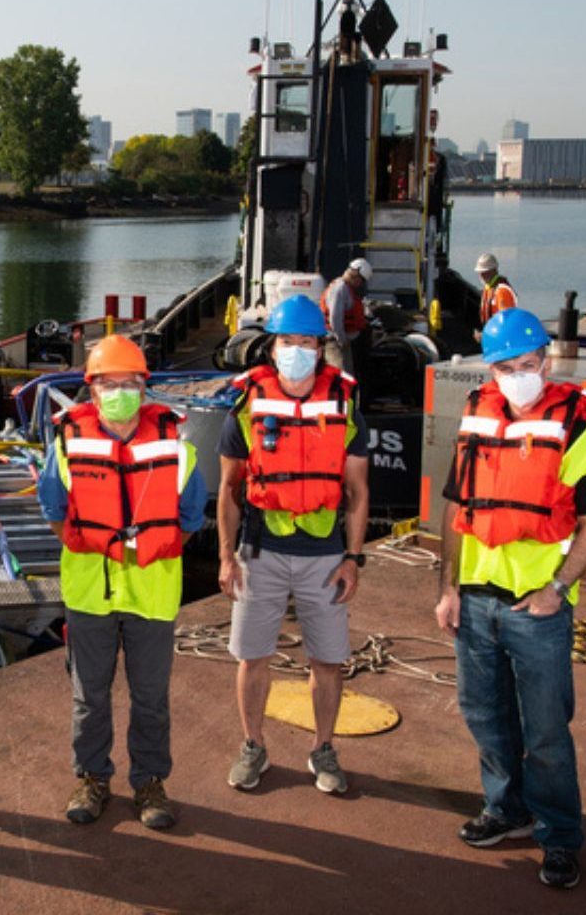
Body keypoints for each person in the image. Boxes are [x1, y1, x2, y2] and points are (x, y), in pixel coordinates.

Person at [435, 308, 586, 891]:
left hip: (537, 612)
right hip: (475, 603)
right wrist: (448, 588)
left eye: (530, 365)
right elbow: (454, 509)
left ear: (547, 362)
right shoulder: (475, 419)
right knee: (484, 716)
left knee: (545, 733)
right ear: (491, 371)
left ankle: (559, 837)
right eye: (508, 368)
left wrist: (556, 588)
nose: (520, 376)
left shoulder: (579, 431)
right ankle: (507, 809)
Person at [37, 334, 207, 830]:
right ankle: (92, 777)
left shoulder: (177, 447)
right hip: (90, 591)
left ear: (144, 388)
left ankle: (150, 782)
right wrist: (98, 545)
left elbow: (191, 516)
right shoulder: (68, 444)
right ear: (92, 391)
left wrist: (148, 548)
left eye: (129, 383)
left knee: (151, 696)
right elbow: (55, 512)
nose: (119, 392)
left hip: (152, 593)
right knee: (89, 694)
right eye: (108, 384)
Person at [217, 295, 369, 797]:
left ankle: (324, 749)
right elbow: (229, 491)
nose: (296, 351)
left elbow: (358, 493)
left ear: (321, 348)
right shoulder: (247, 405)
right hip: (260, 550)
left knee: (327, 660)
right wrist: (225, 555)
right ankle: (252, 745)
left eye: (306, 342)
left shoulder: (344, 405)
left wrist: (353, 558)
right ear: (271, 347)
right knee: (252, 655)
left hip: (324, 554)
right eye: (288, 342)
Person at [322, 258, 373, 377]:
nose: (360, 284)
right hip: (335, 342)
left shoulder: (346, 288)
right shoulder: (340, 289)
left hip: (342, 342)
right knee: (341, 377)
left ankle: (348, 396)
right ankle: (339, 396)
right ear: (356, 276)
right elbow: (335, 318)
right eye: (361, 281)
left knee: (348, 378)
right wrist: (342, 339)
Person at [475, 252, 519, 332]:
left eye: (485, 272)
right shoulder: (488, 289)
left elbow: (505, 322)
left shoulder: (502, 291)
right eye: (480, 273)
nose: (482, 276)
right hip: (492, 338)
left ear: (494, 270)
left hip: (501, 340)